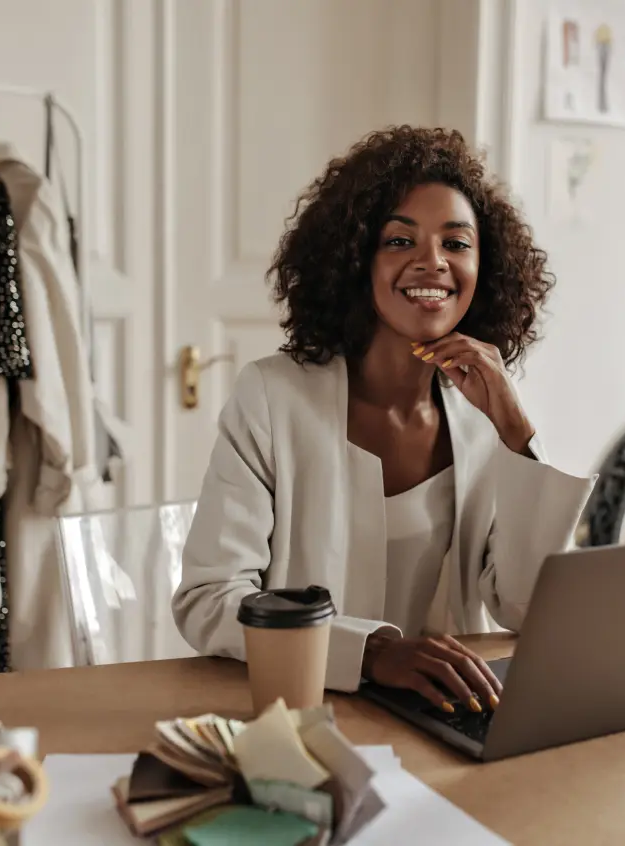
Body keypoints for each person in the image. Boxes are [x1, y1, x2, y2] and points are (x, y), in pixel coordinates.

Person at [172, 127, 594, 713]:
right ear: (354, 259)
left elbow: (525, 608)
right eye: (400, 240)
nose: (432, 262)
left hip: (449, 718)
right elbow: (208, 598)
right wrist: (369, 654)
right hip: (304, 715)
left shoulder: (483, 418)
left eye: (457, 243)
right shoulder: (273, 397)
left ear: (484, 266)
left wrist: (519, 438)